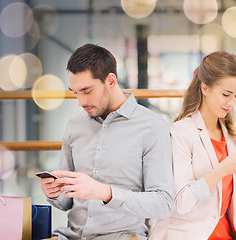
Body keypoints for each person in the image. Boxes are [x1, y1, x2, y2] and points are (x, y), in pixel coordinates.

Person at [39, 44, 174, 240]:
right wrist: (53, 192)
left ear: (111, 80)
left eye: (86, 91)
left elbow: (163, 204)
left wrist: (104, 192)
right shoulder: (74, 126)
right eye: (75, 92)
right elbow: (65, 202)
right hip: (71, 236)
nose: (80, 102)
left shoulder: (152, 126)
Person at [149, 51, 236, 240]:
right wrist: (222, 169)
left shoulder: (235, 134)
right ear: (205, 88)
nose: (232, 102)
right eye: (226, 94)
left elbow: (226, 203)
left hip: (225, 234)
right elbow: (181, 203)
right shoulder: (181, 132)